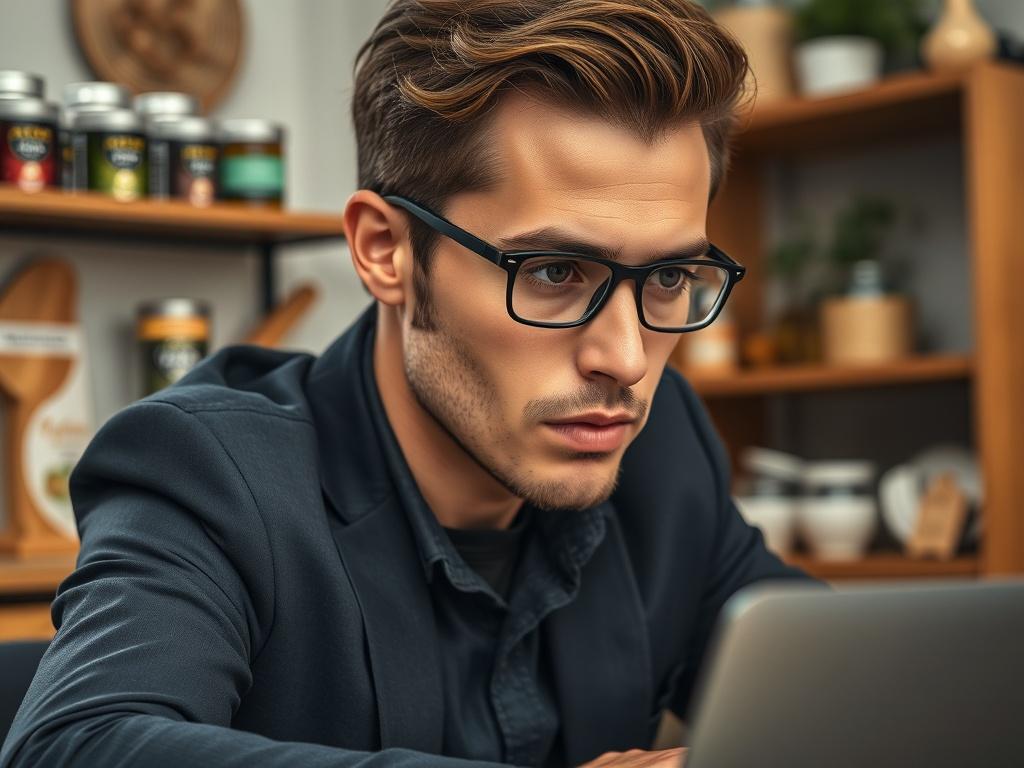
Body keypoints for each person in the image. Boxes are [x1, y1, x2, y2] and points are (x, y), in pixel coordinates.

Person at [0, 1, 816, 767]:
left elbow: (841, 679)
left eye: (670, 278)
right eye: (555, 271)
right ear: (386, 250)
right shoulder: (209, 472)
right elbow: (75, 745)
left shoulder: (662, 441)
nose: (628, 358)